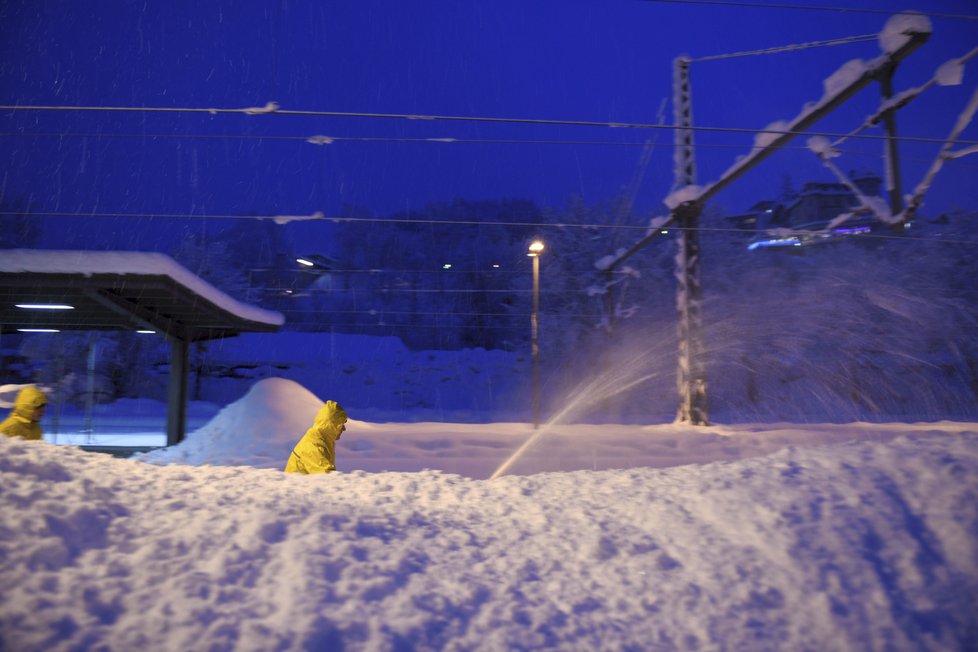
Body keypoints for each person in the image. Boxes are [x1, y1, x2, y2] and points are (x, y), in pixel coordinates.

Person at [285, 400, 349, 474]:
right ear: (331, 425)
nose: (344, 429)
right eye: (340, 425)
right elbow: (328, 478)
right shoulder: (314, 446)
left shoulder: (322, 440)